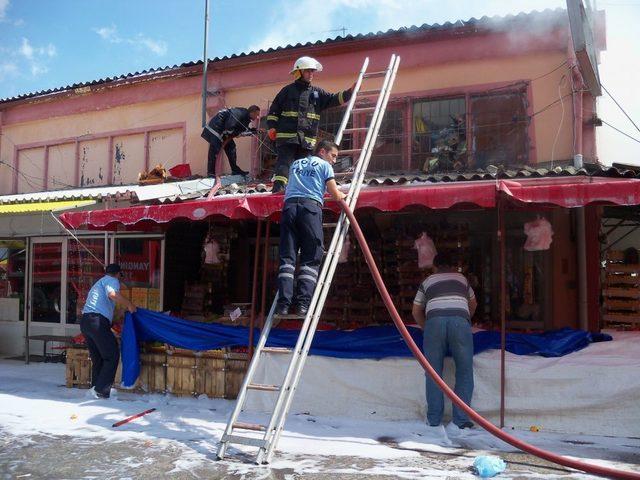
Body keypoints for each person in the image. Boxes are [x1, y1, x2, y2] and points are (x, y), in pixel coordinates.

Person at [276, 140, 346, 316]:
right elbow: (334, 193)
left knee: (287, 258)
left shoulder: (296, 164)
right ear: (322, 151)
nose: (334, 161)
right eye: (333, 155)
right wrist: (344, 194)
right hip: (310, 209)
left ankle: (283, 305)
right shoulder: (324, 166)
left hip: (289, 208)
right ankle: (302, 305)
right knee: (311, 257)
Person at [267, 56, 355, 193]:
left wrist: (349, 93)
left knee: (305, 167)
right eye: (308, 71)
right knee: (284, 163)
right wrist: (272, 127)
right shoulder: (287, 91)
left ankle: (302, 190)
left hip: (306, 140)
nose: (311, 74)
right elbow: (274, 111)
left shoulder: (317, 93)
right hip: (287, 137)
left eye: (312, 72)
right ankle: (278, 189)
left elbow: (333, 99)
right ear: (299, 72)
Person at [412, 252, 477, 429]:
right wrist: (463, 318)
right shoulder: (462, 279)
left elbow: (416, 311)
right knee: (464, 371)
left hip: (434, 323)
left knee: (433, 373)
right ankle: (461, 420)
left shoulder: (427, 281)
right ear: (454, 266)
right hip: (460, 323)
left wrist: (428, 327)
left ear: (434, 266)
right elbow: (473, 304)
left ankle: (434, 419)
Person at [80, 263, 136, 399]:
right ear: (118, 274)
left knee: (98, 357)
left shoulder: (100, 282)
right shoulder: (112, 280)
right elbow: (112, 294)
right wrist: (129, 304)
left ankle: (95, 388)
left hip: (86, 321)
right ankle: (101, 390)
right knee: (112, 355)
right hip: (97, 321)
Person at [201, 105, 260, 177]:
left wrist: (254, 131)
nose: (257, 117)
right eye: (257, 114)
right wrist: (239, 133)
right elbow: (230, 127)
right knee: (214, 151)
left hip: (224, 132)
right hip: (215, 129)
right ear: (252, 112)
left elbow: (243, 130)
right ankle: (211, 173)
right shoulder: (241, 113)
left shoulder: (245, 117)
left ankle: (235, 170)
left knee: (231, 147)